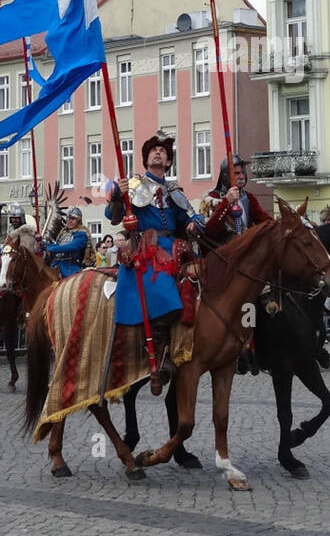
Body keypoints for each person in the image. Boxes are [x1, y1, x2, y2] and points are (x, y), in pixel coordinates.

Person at [105, 131, 203, 391]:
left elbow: (189, 217)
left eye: (163, 151)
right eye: (153, 150)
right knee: (165, 294)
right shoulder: (134, 186)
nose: (158, 152)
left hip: (176, 247)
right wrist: (118, 195)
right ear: (146, 159)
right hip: (148, 247)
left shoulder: (173, 190)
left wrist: (195, 223)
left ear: (168, 162)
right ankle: (159, 357)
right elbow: (114, 217)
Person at [203, 154, 271, 244]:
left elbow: (264, 219)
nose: (241, 177)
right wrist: (226, 202)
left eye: (243, 173)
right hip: (221, 250)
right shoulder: (211, 198)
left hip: (244, 247)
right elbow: (210, 231)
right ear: (226, 175)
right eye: (237, 173)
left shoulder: (249, 198)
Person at [41, 206, 89, 278]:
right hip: (56, 265)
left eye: (73, 219)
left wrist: (50, 248)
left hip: (71, 268)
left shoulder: (81, 234)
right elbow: (57, 245)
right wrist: (44, 245)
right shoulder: (64, 233)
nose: (70, 221)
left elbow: (71, 247)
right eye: (69, 218)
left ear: (78, 221)